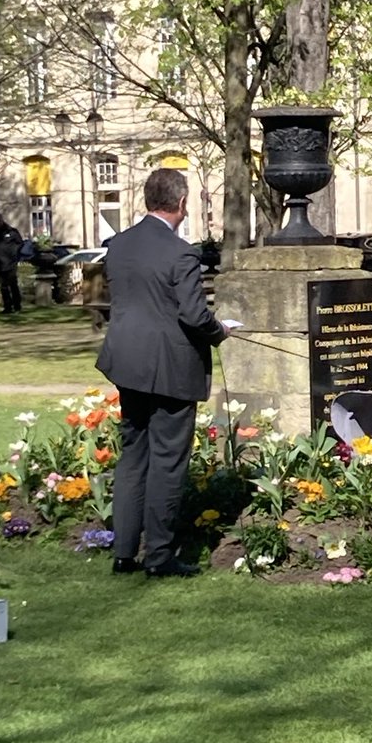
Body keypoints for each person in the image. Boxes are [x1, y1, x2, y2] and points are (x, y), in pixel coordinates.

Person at [95, 168, 229, 578]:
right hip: (170, 367)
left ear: (147, 200)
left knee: (133, 454)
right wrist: (219, 330)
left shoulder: (118, 245)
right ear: (182, 203)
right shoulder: (181, 253)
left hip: (126, 362)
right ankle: (159, 556)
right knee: (168, 459)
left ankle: (123, 552)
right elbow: (192, 314)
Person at [0, 212, 23, 315]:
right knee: (3, 286)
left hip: (11, 263)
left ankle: (17, 306)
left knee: (13, 285)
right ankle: (7, 307)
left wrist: (15, 254)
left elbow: (20, 244)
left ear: (1, 220)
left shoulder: (11, 231)